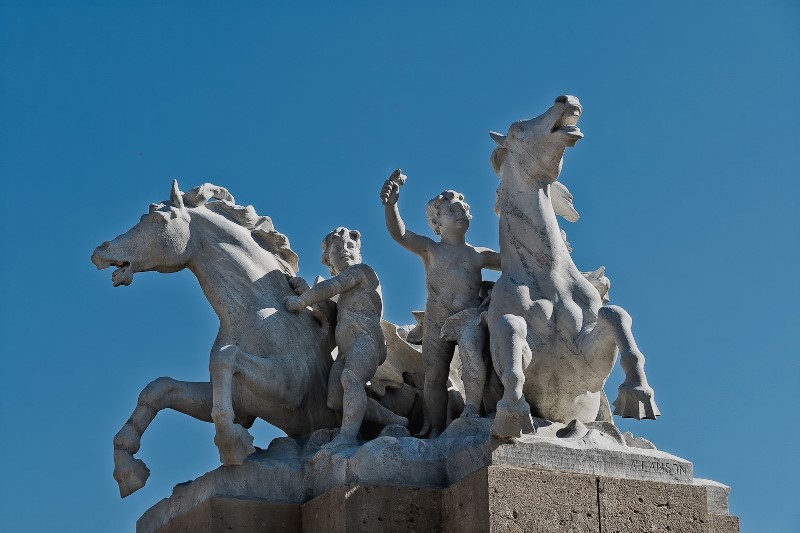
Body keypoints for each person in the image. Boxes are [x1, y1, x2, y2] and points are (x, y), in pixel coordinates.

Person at [380, 171, 500, 437]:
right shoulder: (430, 249)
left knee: (472, 356)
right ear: (437, 223)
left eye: (463, 209)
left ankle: (472, 411)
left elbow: (513, 262)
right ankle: (435, 428)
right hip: (436, 319)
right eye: (451, 210)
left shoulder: (479, 255)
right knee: (433, 376)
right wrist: (391, 206)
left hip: (469, 317)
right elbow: (399, 233)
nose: (460, 212)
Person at [285, 227, 406, 448]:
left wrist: (302, 300)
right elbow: (328, 311)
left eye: (350, 247)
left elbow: (333, 286)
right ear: (328, 260)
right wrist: (306, 291)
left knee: (351, 379)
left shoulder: (362, 272)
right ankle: (396, 420)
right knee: (334, 398)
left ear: (359, 254)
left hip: (367, 339)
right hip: (345, 350)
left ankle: (347, 437)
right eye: (337, 249)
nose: (344, 251)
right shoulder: (343, 298)